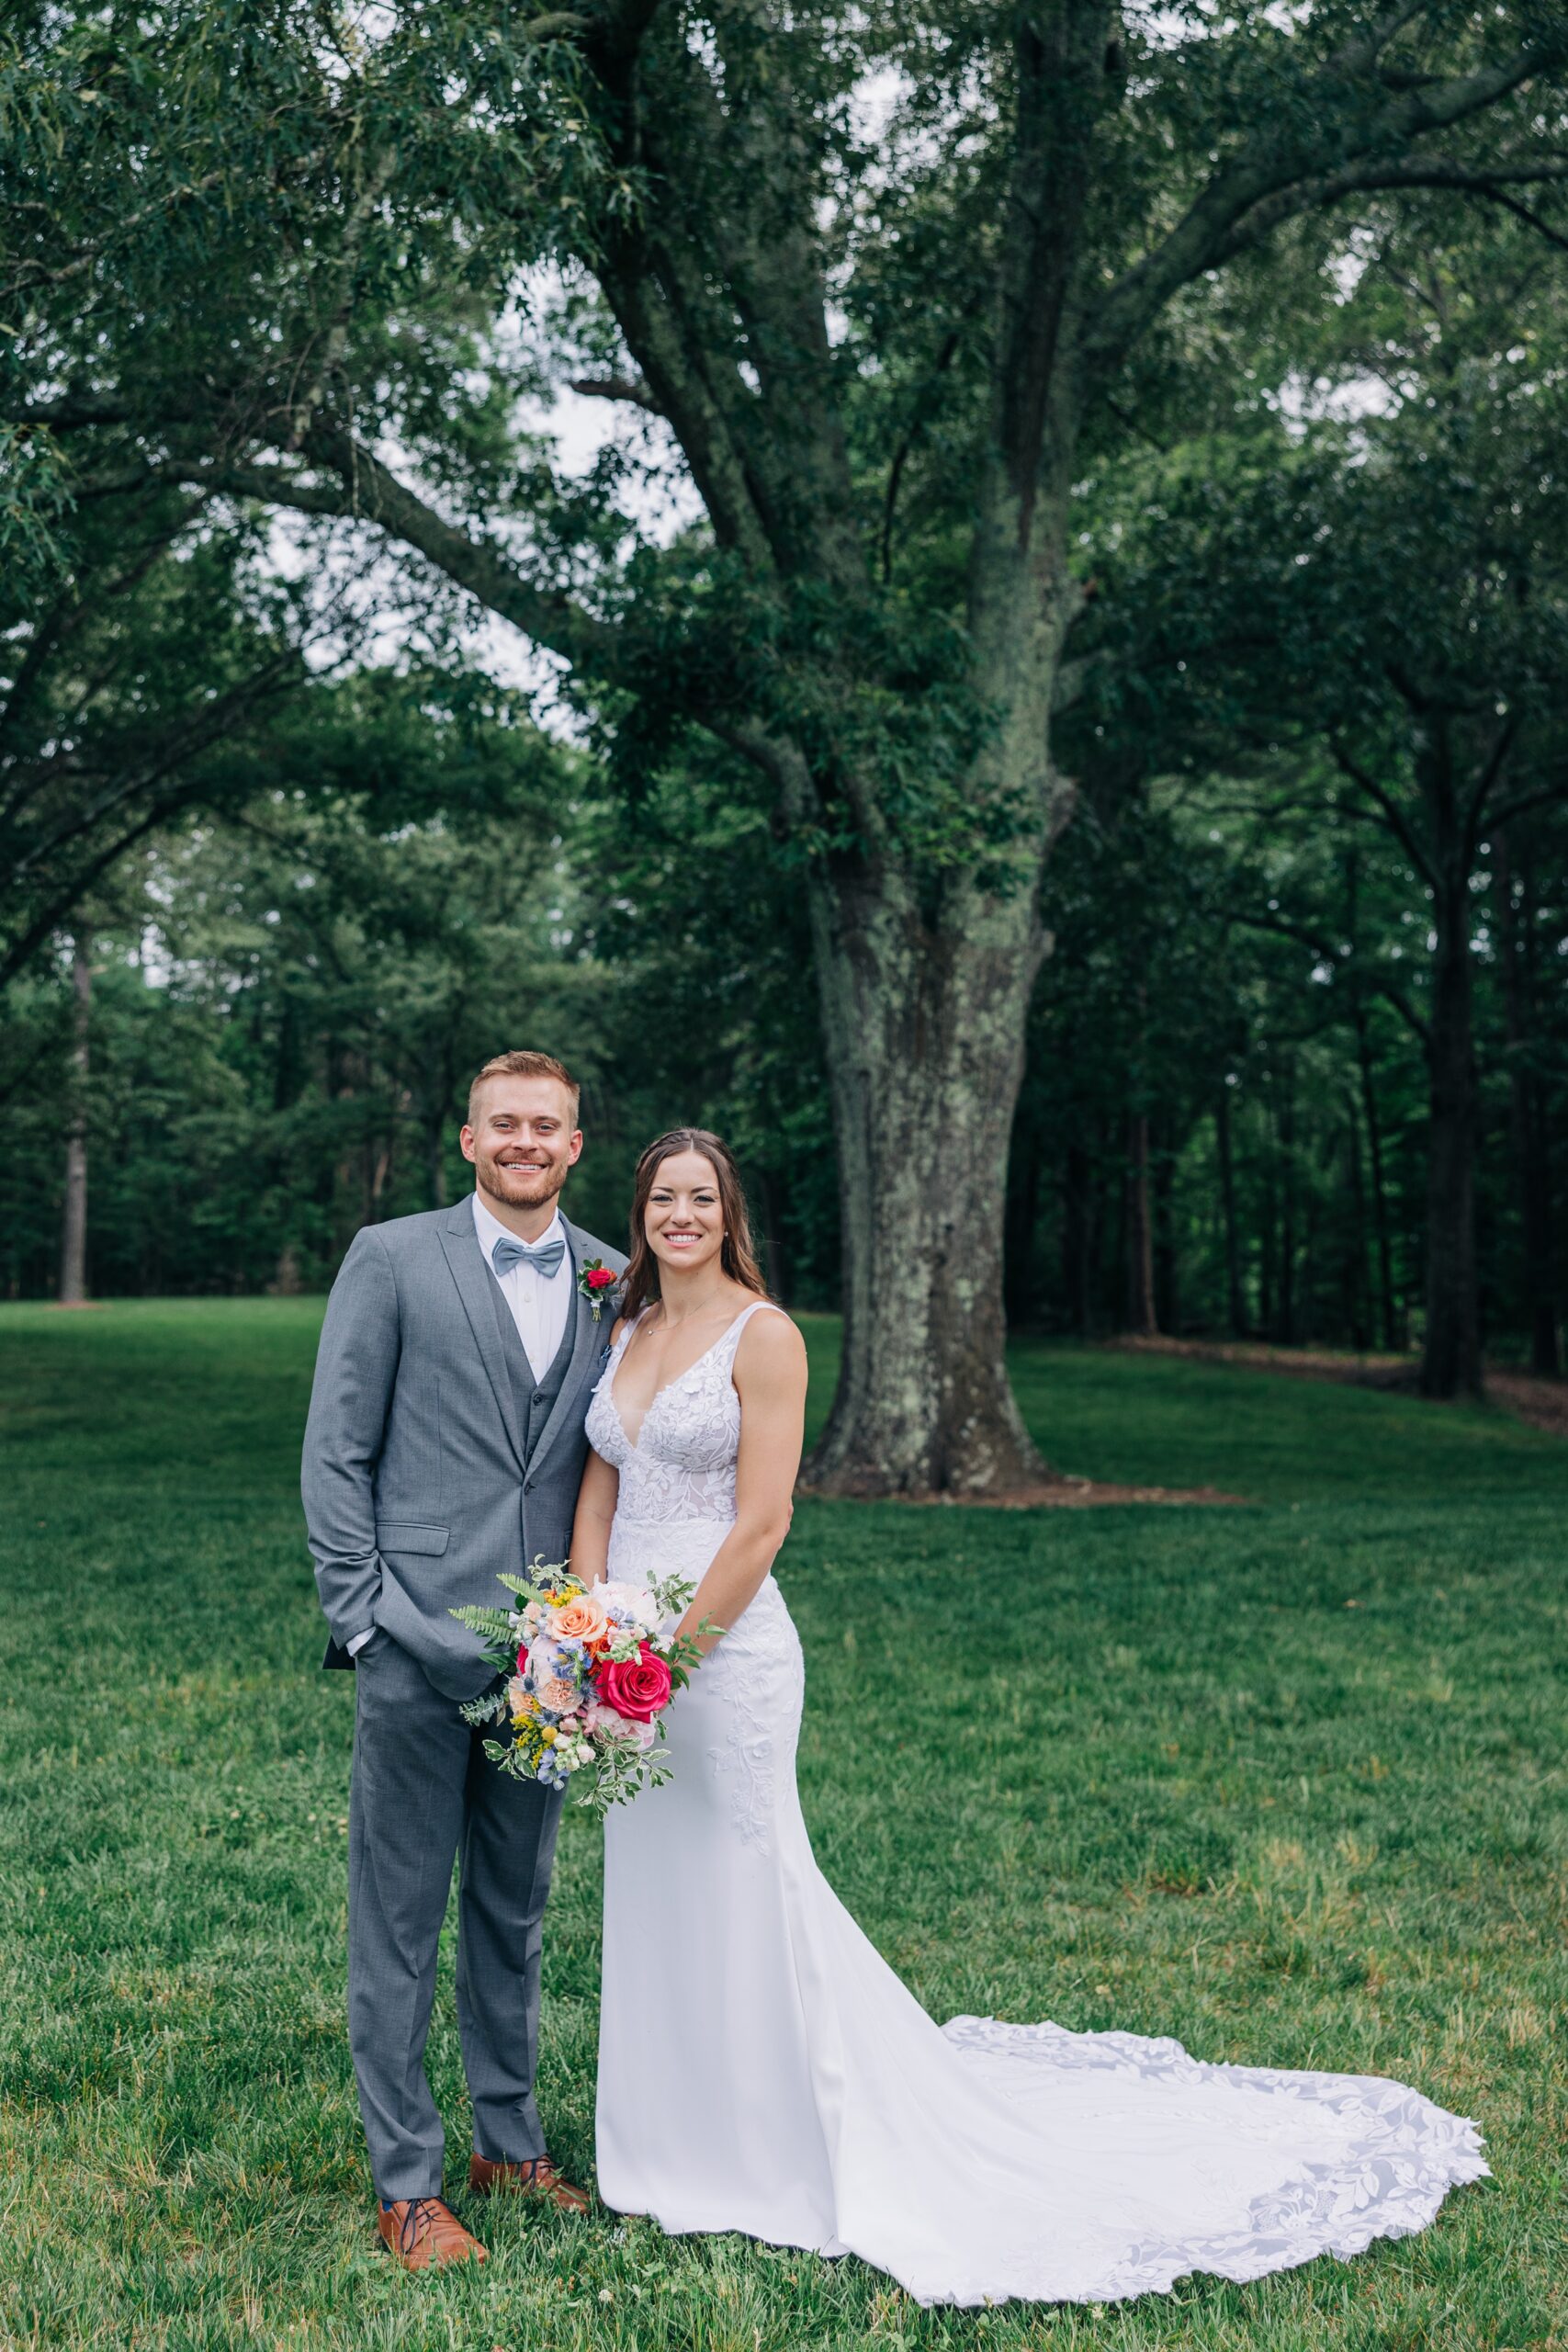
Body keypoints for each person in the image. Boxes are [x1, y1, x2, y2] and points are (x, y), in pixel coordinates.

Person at [573, 1125, 1488, 2309]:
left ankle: (779, 2147)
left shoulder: (767, 1336)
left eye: (700, 1198)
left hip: (723, 1654)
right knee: (654, 1886)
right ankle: (668, 2141)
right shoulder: (628, 1328)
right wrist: (592, 1636)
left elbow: (761, 1524)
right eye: (662, 1199)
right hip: (619, 1656)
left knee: (750, 1881)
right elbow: (603, 1479)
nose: (679, 1216)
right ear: (640, 1213)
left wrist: (666, 1662)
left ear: (728, 1213)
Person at [301, 1049, 626, 2272]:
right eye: (506, 1123)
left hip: (546, 1658)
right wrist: (367, 1618)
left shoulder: (608, 1273)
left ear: (576, 1143)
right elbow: (336, 1450)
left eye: (547, 1125)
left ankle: (509, 2143)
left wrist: (593, 1631)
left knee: (514, 1906)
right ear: (468, 1139)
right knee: (396, 1919)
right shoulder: (391, 1258)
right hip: (411, 1638)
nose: (527, 1141)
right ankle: (406, 2186)